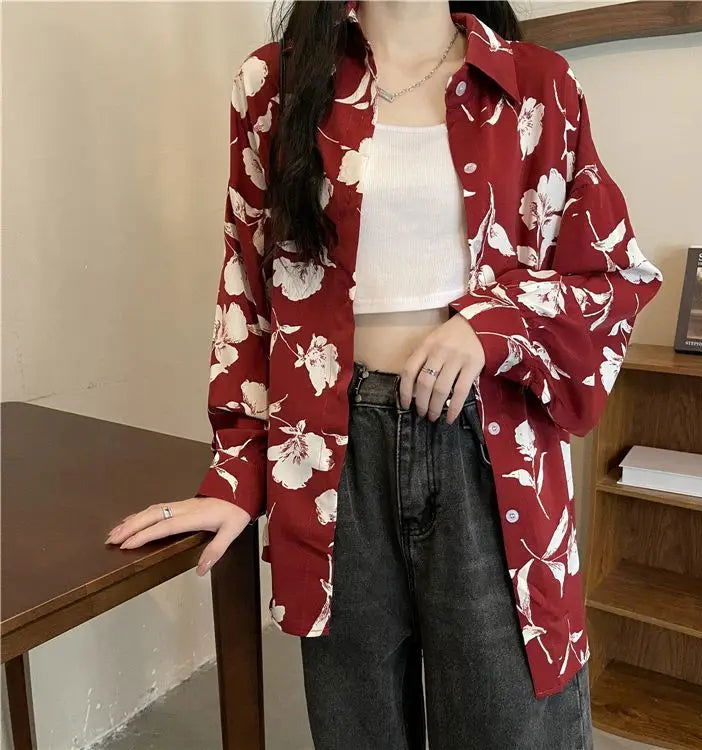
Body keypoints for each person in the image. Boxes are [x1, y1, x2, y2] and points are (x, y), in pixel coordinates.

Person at [105, 1, 663, 747]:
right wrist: (238, 472)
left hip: (490, 451)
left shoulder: (536, 85)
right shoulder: (276, 85)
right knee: (357, 729)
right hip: (330, 458)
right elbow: (247, 286)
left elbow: (612, 277)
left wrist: (491, 324)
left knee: (511, 725)